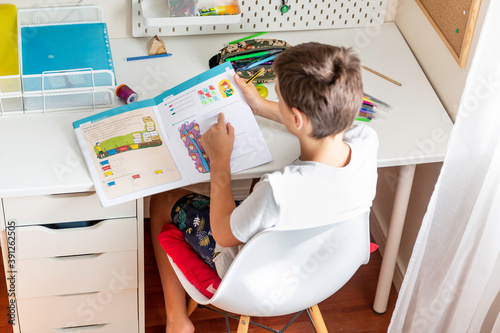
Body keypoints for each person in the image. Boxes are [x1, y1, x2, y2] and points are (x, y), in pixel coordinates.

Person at [149, 42, 379, 333]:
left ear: (296, 118)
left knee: (161, 199)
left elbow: (222, 233)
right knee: (257, 185)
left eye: (278, 98)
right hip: (327, 273)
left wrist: (220, 162)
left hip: (251, 283)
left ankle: (176, 321)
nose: (276, 102)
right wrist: (259, 106)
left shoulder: (278, 190)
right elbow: (313, 123)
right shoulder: (367, 142)